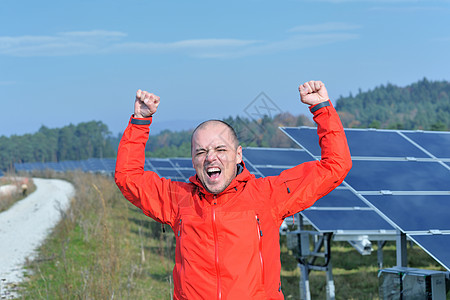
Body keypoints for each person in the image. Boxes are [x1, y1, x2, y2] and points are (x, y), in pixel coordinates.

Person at [115, 80, 352, 300]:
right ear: (192, 160)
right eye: (201, 152)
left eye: (220, 149)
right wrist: (140, 121)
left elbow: (335, 166)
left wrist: (322, 108)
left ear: (238, 155)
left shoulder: (268, 195)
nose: (210, 158)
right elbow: (128, 177)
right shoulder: (179, 200)